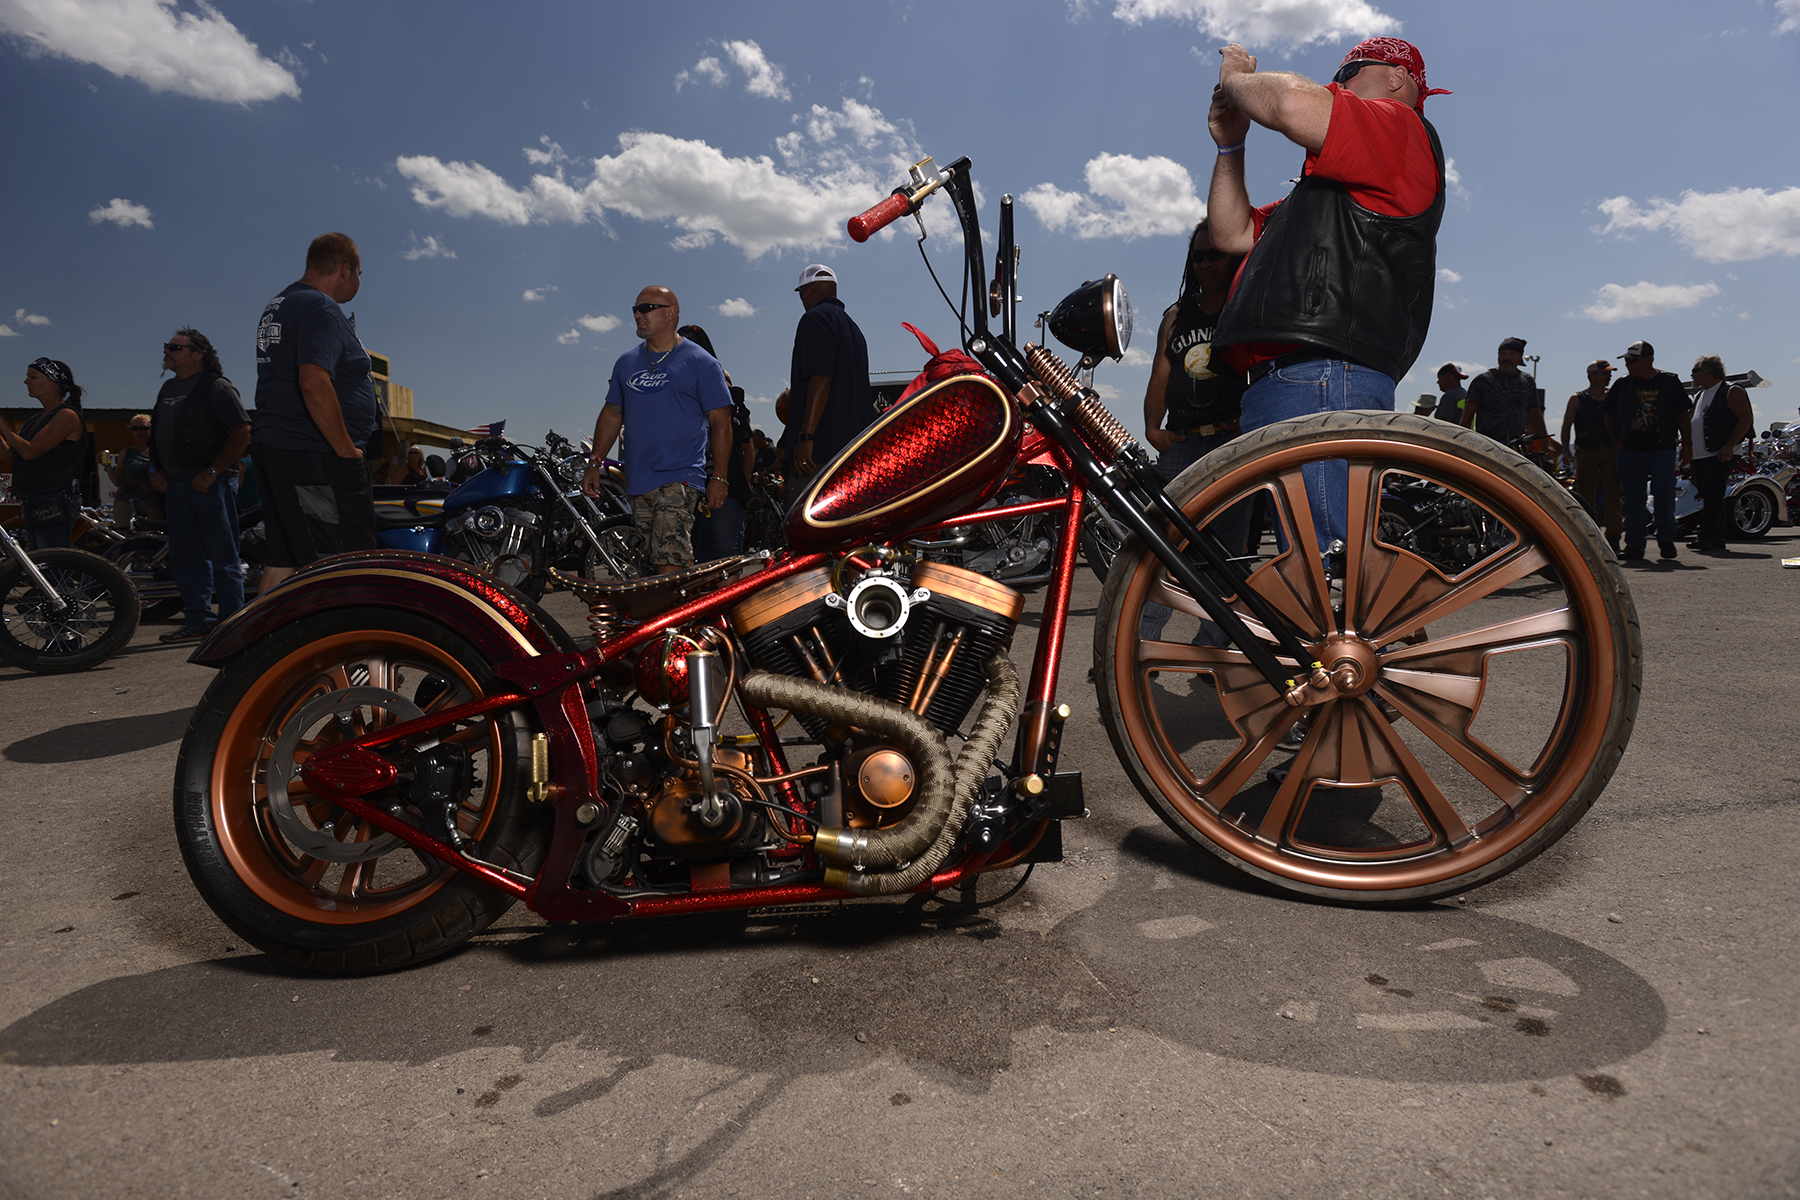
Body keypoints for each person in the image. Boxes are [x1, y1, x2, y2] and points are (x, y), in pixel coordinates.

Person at [1206, 36, 1450, 550]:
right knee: (1309, 567)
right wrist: (1231, 145)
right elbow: (1231, 235)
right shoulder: (1323, 198)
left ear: (1395, 78)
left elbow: (1292, 104)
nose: (1335, 84)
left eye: (1348, 72)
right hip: (1290, 379)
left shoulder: (1399, 126)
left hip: (1321, 373)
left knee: (1325, 569)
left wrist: (1234, 78)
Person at [252, 232, 379, 593]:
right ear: (345, 269)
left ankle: (262, 644)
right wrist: (345, 451)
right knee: (339, 563)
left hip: (278, 447)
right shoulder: (320, 307)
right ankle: (339, 647)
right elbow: (313, 381)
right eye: (359, 273)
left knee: (284, 558)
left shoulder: (281, 303)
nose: (357, 282)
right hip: (314, 454)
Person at [580, 287, 732, 574]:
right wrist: (594, 462)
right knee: (661, 562)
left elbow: (721, 420)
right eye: (635, 309)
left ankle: (669, 619)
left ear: (670, 312)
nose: (638, 314)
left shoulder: (701, 362)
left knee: (667, 563)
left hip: (680, 476)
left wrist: (720, 477)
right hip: (637, 480)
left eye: (646, 308)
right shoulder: (626, 362)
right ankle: (690, 613)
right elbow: (613, 413)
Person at [148, 329, 251, 643]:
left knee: (224, 555)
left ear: (198, 354)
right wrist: (154, 469)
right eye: (168, 346)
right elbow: (157, 436)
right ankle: (199, 621)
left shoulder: (216, 386)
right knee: (185, 556)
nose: (167, 351)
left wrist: (211, 471)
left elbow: (242, 431)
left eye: (175, 347)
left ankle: (233, 625)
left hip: (210, 484)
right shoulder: (167, 388)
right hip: (177, 485)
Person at [1143, 220, 1249, 487]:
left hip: (1233, 440)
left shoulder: (1247, 312)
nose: (1205, 264)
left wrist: (1250, 423)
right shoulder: (1174, 318)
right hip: (1180, 443)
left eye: (1215, 254)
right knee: (1168, 528)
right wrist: (1153, 429)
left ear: (1234, 258)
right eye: (1198, 257)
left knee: (1229, 529)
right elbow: (1159, 380)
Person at [1604, 340, 1692, 561]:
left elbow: (1683, 415)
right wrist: (1617, 441)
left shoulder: (1669, 381)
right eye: (1626, 360)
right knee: (1633, 499)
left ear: (1649, 360)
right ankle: (1634, 545)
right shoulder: (1623, 384)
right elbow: (1608, 414)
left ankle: (1666, 539)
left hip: (1662, 448)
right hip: (1629, 449)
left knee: (1664, 491)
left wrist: (1688, 445)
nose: (1628, 364)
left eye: (1633, 360)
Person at [786, 264, 874, 477]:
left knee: (807, 509)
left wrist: (806, 438)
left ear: (807, 291)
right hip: (853, 450)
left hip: (820, 452)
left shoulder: (814, 319)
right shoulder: (854, 329)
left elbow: (821, 378)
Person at [681, 324, 756, 561]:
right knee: (694, 556)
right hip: (687, 488)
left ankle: (731, 598)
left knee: (725, 556)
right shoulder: (677, 391)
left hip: (724, 488)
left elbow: (747, 445)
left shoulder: (729, 399)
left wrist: (737, 484)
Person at [2, 358, 90, 549]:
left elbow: (29, 451)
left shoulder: (67, 415)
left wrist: (3, 425)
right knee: (40, 565)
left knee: (53, 566)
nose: (27, 382)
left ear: (53, 384)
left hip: (55, 500)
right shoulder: (37, 418)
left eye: (33, 377)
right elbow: (8, 454)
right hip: (35, 498)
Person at [1687, 355, 1755, 554]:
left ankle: (1706, 536)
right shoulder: (1701, 395)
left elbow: (1745, 418)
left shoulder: (1731, 390)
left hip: (1720, 451)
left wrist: (1729, 445)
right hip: (1700, 454)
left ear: (1708, 371)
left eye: (1695, 370)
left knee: (1712, 493)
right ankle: (1717, 537)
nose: (1692, 375)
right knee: (1708, 494)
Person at [1560, 359, 1623, 554]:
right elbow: (1566, 425)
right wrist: (1566, 449)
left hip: (1611, 450)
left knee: (1613, 494)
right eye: (1604, 373)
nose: (1609, 376)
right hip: (1586, 450)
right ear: (1592, 375)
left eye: (1609, 373)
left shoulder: (1613, 396)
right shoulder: (1578, 398)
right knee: (1586, 496)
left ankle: (1613, 537)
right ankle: (1590, 536)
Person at [1463, 337, 1547, 447]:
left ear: (1520, 357)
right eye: (1503, 354)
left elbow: (1535, 415)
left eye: (1511, 354)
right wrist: (1463, 441)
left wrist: (1546, 444)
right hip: (1487, 443)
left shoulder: (1527, 381)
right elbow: (1468, 415)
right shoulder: (1484, 380)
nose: (1506, 358)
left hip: (1516, 444)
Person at [106, 413, 160, 524]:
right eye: (135, 428)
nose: (139, 431)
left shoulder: (159, 452)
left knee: (153, 538)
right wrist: (107, 466)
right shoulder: (125, 452)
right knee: (126, 537)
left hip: (152, 503)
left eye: (144, 428)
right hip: (125, 503)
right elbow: (118, 482)